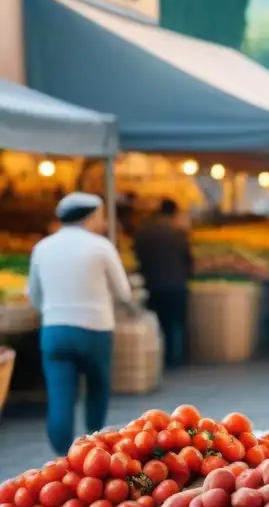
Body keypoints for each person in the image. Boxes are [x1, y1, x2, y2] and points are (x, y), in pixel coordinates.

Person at [28, 193, 134, 453]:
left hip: (54, 330)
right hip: (94, 330)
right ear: (91, 216)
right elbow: (124, 292)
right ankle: (92, 450)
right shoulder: (101, 246)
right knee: (97, 389)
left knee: (59, 395)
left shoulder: (43, 246)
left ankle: (62, 457)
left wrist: (54, 311)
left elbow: (33, 294)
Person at [133, 198, 193, 368]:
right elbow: (187, 258)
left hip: (152, 283)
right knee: (176, 323)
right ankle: (175, 358)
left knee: (156, 322)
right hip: (176, 284)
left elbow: (138, 255)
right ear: (174, 213)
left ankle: (157, 356)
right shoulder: (178, 233)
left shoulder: (143, 231)